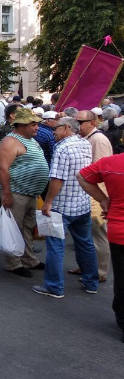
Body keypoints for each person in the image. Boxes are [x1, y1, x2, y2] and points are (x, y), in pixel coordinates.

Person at [33, 117, 97, 298]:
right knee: (85, 243)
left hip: (62, 206)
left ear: (66, 128)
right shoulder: (84, 143)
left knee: (55, 246)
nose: (53, 131)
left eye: (56, 128)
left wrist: (48, 202)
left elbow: (57, 179)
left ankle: (54, 287)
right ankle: (91, 282)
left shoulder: (62, 148)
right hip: (82, 203)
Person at [0, 108, 50, 277]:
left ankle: (28, 259)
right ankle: (13, 263)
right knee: (15, 227)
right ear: (21, 125)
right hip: (15, 191)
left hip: (29, 192)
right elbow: (2, 169)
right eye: (33, 124)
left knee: (27, 227)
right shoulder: (10, 142)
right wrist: (6, 194)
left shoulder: (30, 140)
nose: (37, 127)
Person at [77, 152, 124, 342]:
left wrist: (104, 200)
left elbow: (82, 176)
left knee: (122, 278)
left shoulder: (110, 162)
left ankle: (122, 318)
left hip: (119, 229)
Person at [74, 110, 114, 282]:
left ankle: (99, 270)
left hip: (97, 193)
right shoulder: (87, 138)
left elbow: (103, 169)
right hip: (88, 191)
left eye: (80, 123)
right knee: (87, 234)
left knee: (98, 233)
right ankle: (87, 266)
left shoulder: (98, 139)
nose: (77, 126)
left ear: (92, 123)